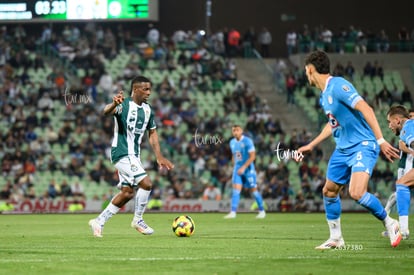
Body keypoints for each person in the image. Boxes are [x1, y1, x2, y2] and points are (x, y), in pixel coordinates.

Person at [296, 50, 401, 249]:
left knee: (356, 192)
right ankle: (336, 238)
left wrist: (380, 140)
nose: (305, 75)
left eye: (305, 71)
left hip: (363, 145)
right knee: (329, 191)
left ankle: (390, 222)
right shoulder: (324, 95)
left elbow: (366, 109)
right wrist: (311, 145)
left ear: (310, 70)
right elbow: (332, 124)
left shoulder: (338, 86)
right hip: (343, 149)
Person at [88, 76, 174, 237]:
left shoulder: (148, 110)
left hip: (134, 155)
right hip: (121, 152)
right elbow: (106, 111)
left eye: (150, 89)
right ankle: (138, 219)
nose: (149, 92)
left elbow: (153, 133)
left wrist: (159, 156)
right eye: (145, 89)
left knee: (127, 192)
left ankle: (98, 221)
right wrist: (114, 103)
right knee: (146, 183)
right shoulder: (124, 104)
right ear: (135, 89)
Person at [381, 105, 414, 240]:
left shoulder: (408, 127)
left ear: (398, 120)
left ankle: (403, 228)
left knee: (402, 184)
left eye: (390, 122)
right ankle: (402, 228)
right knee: (402, 184)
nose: (389, 126)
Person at [224, 125, 266, 219]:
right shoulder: (232, 142)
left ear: (241, 131)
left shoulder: (247, 141)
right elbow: (234, 155)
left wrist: (243, 167)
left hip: (248, 169)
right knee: (236, 191)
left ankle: (262, 210)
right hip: (237, 169)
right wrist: (234, 165)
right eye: (233, 130)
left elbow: (252, 156)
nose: (235, 132)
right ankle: (233, 212)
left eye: (237, 130)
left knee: (254, 190)